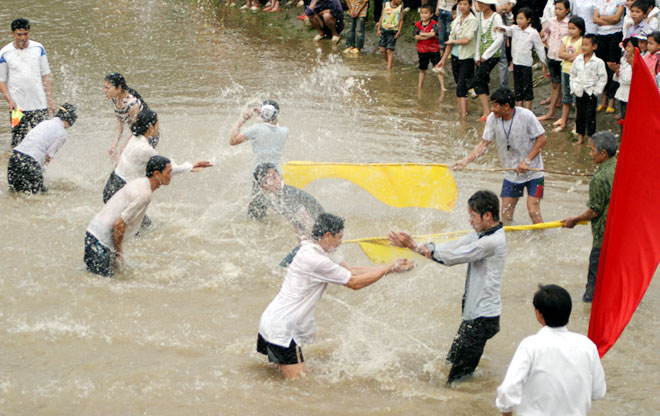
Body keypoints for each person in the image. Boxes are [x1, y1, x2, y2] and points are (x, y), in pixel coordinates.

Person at [257, 213, 414, 380]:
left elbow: (351, 270)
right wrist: (388, 269)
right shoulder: (317, 260)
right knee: (300, 384)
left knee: (276, 380)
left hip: (270, 322)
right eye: (339, 237)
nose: (341, 242)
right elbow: (354, 283)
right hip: (284, 329)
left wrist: (389, 268)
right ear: (327, 236)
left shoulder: (311, 248)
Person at [388, 190, 506, 384]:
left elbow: (453, 258)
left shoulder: (491, 242)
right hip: (474, 315)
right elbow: (452, 246)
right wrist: (420, 245)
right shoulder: (481, 234)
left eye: (473, 216)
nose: (470, 221)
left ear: (487, 215)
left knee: (456, 384)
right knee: (450, 363)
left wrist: (414, 246)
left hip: (482, 319)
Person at [495, 284, 606, 415]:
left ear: (539, 314)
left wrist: (506, 412)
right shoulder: (587, 346)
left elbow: (508, 391)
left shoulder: (530, 345)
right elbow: (598, 392)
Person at [454, 88, 547, 225]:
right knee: (505, 214)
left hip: (534, 171)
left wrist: (527, 161)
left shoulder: (526, 116)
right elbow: (484, 144)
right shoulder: (492, 119)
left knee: (533, 211)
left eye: (496, 106)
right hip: (511, 173)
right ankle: (509, 242)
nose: (492, 110)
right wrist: (466, 161)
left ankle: (542, 240)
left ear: (507, 107)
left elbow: (542, 139)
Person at [85, 156, 174, 277]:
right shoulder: (145, 195)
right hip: (101, 240)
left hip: (94, 231)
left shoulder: (140, 181)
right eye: (169, 172)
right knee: (103, 282)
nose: (171, 175)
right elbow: (119, 224)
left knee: (98, 277)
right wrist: (119, 252)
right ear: (157, 173)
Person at [103, 108, 211, 204]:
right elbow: (168, 170)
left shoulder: (134, 139)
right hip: (121, 191)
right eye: (157, 123)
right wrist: (192, 166)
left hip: (111, 186)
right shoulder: (145, 149)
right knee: (145, 226)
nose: (158, 126)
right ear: (150, 127)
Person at [561, 131, 617, 302]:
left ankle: (588, 309)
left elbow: (594, 211)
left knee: (593, 285)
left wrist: (575, 220)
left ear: (603, 153)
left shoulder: (600, 178)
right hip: (621, 234)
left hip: (603, 236)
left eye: (592, 150)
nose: (590, 154)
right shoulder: (621, 166)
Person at [0, 18, 56, 147]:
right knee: (18, 142)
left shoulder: (38, 48)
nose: (23, 38)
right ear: (12, 34)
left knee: (43, 141)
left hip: (39, 104)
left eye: (26, 34)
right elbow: (1, 81)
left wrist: (50, 100)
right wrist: (9, 100)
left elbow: (46, 75)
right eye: (19, 34)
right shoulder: (4, 53)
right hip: (17, 108)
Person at [229, 100, 289, 219]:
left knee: (255, 217)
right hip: (277, 176)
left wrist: (243, 120)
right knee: (280, 211)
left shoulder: (256, 129)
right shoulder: (285, 131)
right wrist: (262, 113)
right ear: (277, 114)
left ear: (263, 113)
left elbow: (233, 141)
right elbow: (271, 125)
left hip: (261, 177)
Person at [8, 104, 77, 193]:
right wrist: (40, 172)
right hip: (30, 161)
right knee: (40, 196)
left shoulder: (45, 122)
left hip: (14, 158)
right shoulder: (63, 134)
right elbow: (48, 157)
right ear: (71, 120)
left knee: (15, 193)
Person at [251, 162, 324, 238]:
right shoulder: (267, 197)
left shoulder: (289, 195)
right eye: (266, 182)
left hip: (321, 229)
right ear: (261, 186)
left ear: (280, 175)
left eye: (274, 177)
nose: (272, 183)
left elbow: (309, 223)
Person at [496, 7, 547, 110]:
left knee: (527, 88)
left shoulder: (533, 33)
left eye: (521, 18)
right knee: (518, 87)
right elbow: (507, 29)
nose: (519, 21)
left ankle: (527, 110)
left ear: (528, 20)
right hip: (516, 63)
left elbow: (540, 48)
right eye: (517, 18)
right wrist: (500, 28)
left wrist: (543, 64)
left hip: (526, 64)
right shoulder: (515, 29)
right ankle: (519, 109)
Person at [438, 0, 478, 117]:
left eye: (465, 4)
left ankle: (464, 114)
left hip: (467, 57)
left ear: (470, 6)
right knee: (458, 85)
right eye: (460, 4)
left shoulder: (473, 20)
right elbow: (450, 42)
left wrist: (453, 41)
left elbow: (467, 40)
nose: (462, 7)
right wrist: (443, 59)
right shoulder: (455, 21)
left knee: (462, 85)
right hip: (455, 56)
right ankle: (461, 112)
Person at [103, 72, 151, 162]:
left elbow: (137, 129)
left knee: (131, 161)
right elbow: (120, 123)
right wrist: (114, 146)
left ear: (119, 88)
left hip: (148, 135)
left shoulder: (132, 104)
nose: (105, 90)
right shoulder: (114, 98)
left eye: (108, 88)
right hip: (137, 134)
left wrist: (124, 147)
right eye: (104, 87)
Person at [570, 34, 607, 145]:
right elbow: (572, 74)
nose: (584, 47)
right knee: (580, 115)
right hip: (579, 91)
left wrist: (597, 91)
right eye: (582, 45)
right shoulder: (578, 60)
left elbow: (603, 78)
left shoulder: (598, 62)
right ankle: (580, 137)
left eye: (586, 45)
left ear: (594, 46)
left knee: (591, 116)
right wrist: (573, 87)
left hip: (591, 92)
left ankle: (590, 138)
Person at [538, 0, 571, 122]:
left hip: (564, 58)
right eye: (556, 8)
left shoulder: (569, 24)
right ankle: (551, 111)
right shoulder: (551, 22)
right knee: (554, 84)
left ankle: (564, 115)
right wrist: (545, 40)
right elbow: (545, 31)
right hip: (552, 56)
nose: (557, 11)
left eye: (560, 9)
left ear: (567, 10)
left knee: (566, 86)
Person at [553, 16, 585, 132]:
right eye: (569, 28)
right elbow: (560, 53)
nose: (571, 31)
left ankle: (576, 126)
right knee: (566, 99)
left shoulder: (582, 41)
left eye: (574, 28)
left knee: (576, 100)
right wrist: (570, 56)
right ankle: (563, 123)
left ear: (580, 29)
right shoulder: (566, 39)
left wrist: (569, 56)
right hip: (565, 71)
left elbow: (579, 56)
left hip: (576, 74)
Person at [474, 0, 504, 121]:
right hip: (481, 52)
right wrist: (477, 55)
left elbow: (499, 38)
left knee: (479, 79)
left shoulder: (496, 17)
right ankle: (488, 110)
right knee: (483, 80)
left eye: (482, 3)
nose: (479, 5)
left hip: (492, 54)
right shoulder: (480, 15)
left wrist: (486, 55)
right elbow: (478, 36)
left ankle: (488, 111)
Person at [594, 0, 626, 113]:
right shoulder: (599, 1)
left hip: (615, 35)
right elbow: (595, 19)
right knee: (602, 67)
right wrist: (610, 20)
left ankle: (612, 100)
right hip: (601, 36)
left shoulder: (620, 1)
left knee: (613, 66)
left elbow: (617, 19)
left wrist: (602, 19)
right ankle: (604, 99)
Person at [414, 5, 445, 91]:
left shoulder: (434, 23)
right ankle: (420, 86)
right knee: (422, 69)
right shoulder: (418, 24)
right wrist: (428, 35)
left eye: (426, 13)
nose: (423, 15)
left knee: (437, 67)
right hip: (422, 50)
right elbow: (416, 37)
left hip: (434, 49)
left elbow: (433, 34)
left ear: (431, 14)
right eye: (422, 13)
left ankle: (443, 86)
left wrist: (422, 34)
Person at [377, 0, 406, 70]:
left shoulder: (400, 8)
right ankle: (390, 63)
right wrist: (378, 29)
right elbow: (382, 16)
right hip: (384, 29)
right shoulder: (385, 4)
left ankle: (389, 69)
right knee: (382, 50)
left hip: (393, 31)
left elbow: (401, 20)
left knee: (389, 50)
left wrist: (399, 31)